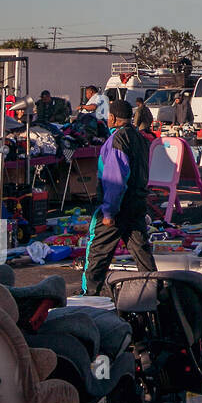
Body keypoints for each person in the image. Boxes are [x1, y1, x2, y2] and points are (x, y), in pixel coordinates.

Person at [80, 100, 156, 295]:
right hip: (137, 203)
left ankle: (89, 295)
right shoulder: (139, 138)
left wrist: (109, 211)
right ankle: (157, 291)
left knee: (97, 252)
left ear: (113, 118)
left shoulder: (118, 139)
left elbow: (115, 180)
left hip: (119, 206)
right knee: (142, 253)